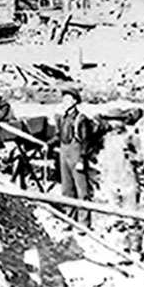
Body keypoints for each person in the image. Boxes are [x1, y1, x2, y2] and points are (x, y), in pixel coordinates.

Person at [56, 85, 92, 225]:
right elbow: (60, 136)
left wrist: (82, 159)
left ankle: (84, 223)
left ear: (74, 101)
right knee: (66, 188)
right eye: (63, 99)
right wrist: (47, 144)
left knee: (82, 190)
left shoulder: (81, 119)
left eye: (68, 99)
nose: (65, 102)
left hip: (77, 155)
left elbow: (86, 142)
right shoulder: (62, 118)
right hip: (64, 154)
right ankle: (69, 219)